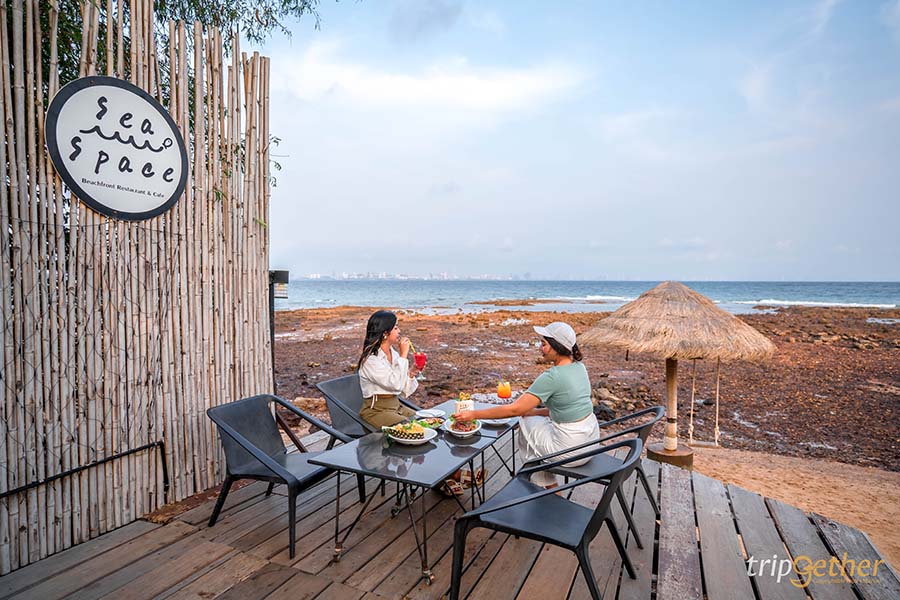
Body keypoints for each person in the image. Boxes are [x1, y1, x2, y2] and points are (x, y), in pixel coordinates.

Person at [452, 321, 599, 488]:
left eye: (544, 344)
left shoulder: (552, 376)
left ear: (556, 347)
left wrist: (473, 415)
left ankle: (543, 486)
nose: (540, 348)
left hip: (571, 451)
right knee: (531, 420)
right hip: (591, 442)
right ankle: (548, 487)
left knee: (525, 423)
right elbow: (566, 408)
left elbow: (515, 409)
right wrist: (534, 412)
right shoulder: (579, 367)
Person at [357, 310, 422, 428]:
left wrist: (411, 374)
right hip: (376, 411)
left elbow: (402, 391)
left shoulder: (394, 354)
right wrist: (404, 355)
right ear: (385, 333)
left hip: (396, 406)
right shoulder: (370, 360)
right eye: (396, 328)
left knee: (422, 421)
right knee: (409, 427)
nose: (399, 331)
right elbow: (395, 385)